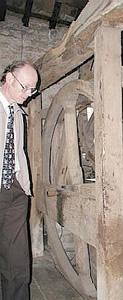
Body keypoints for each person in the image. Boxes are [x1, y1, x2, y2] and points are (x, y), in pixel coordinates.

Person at [0, 61, 39, 300]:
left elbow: (18, 151)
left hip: (15, 190)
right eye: (26, 88)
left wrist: (25, 187)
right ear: (9, 79)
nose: (28, 95)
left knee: (16, 259)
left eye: (33, 90)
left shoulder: (19, 114)